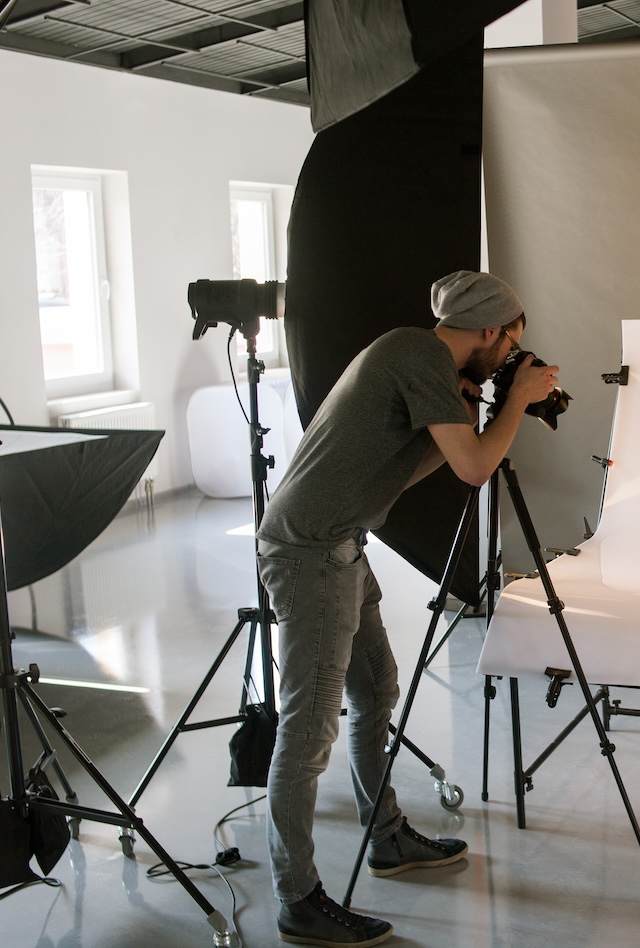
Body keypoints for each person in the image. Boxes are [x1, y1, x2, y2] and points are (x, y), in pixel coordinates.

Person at [256, 270, 560, 947]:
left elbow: (415, 464)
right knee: (307, 733)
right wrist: (516, 401)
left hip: (338, 544)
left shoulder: (419, 359)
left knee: (376, 690)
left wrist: (476, 412)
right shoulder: (418, 353)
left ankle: (386, 836)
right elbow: (476, 469)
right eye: (510, 343)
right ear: (491, 329)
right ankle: (297, 899)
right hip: (310, 553)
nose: (509, 356)